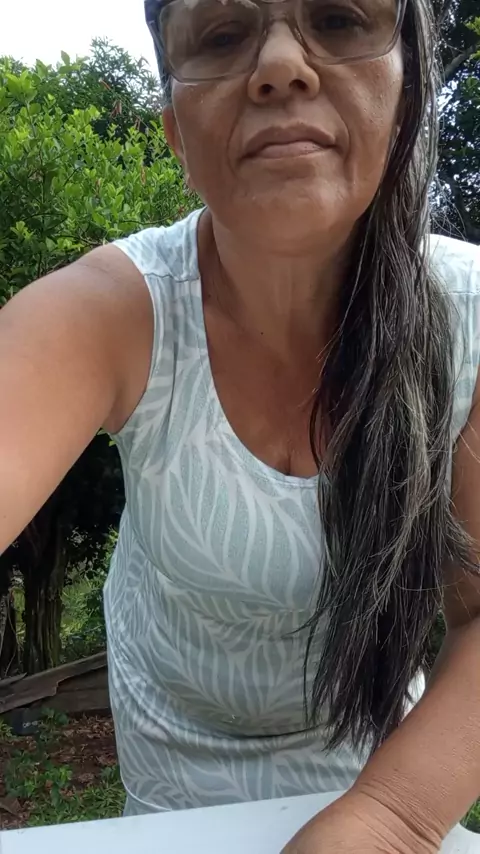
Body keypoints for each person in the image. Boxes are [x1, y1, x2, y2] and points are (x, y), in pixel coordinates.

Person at [1, 0, 480, 850]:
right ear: (175, 134)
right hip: (174, 791)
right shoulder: (116, 312)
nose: (282, 67)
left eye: (338, 19)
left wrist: (390, 821)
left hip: (386, 759)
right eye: (223, 35)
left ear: (407, 91)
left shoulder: (468, 315)